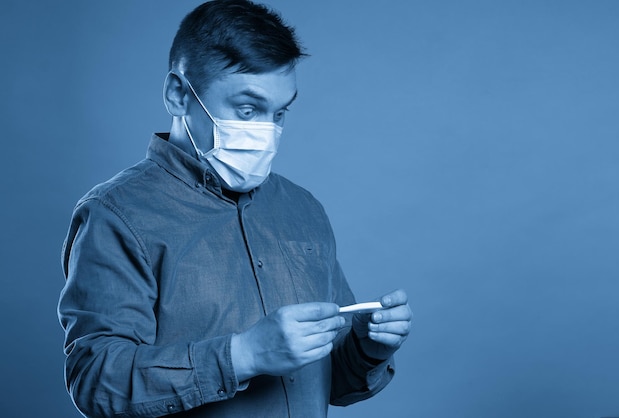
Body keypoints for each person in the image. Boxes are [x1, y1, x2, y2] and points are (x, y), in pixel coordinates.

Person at [57, 1, 412, 417]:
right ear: (178, 95)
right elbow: (96, 381)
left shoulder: (303, 208)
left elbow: (335, 383)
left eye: (279, 113)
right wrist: (242, 355)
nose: (265, 132)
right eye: (247, 110)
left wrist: (368, 347)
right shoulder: (116, 215)